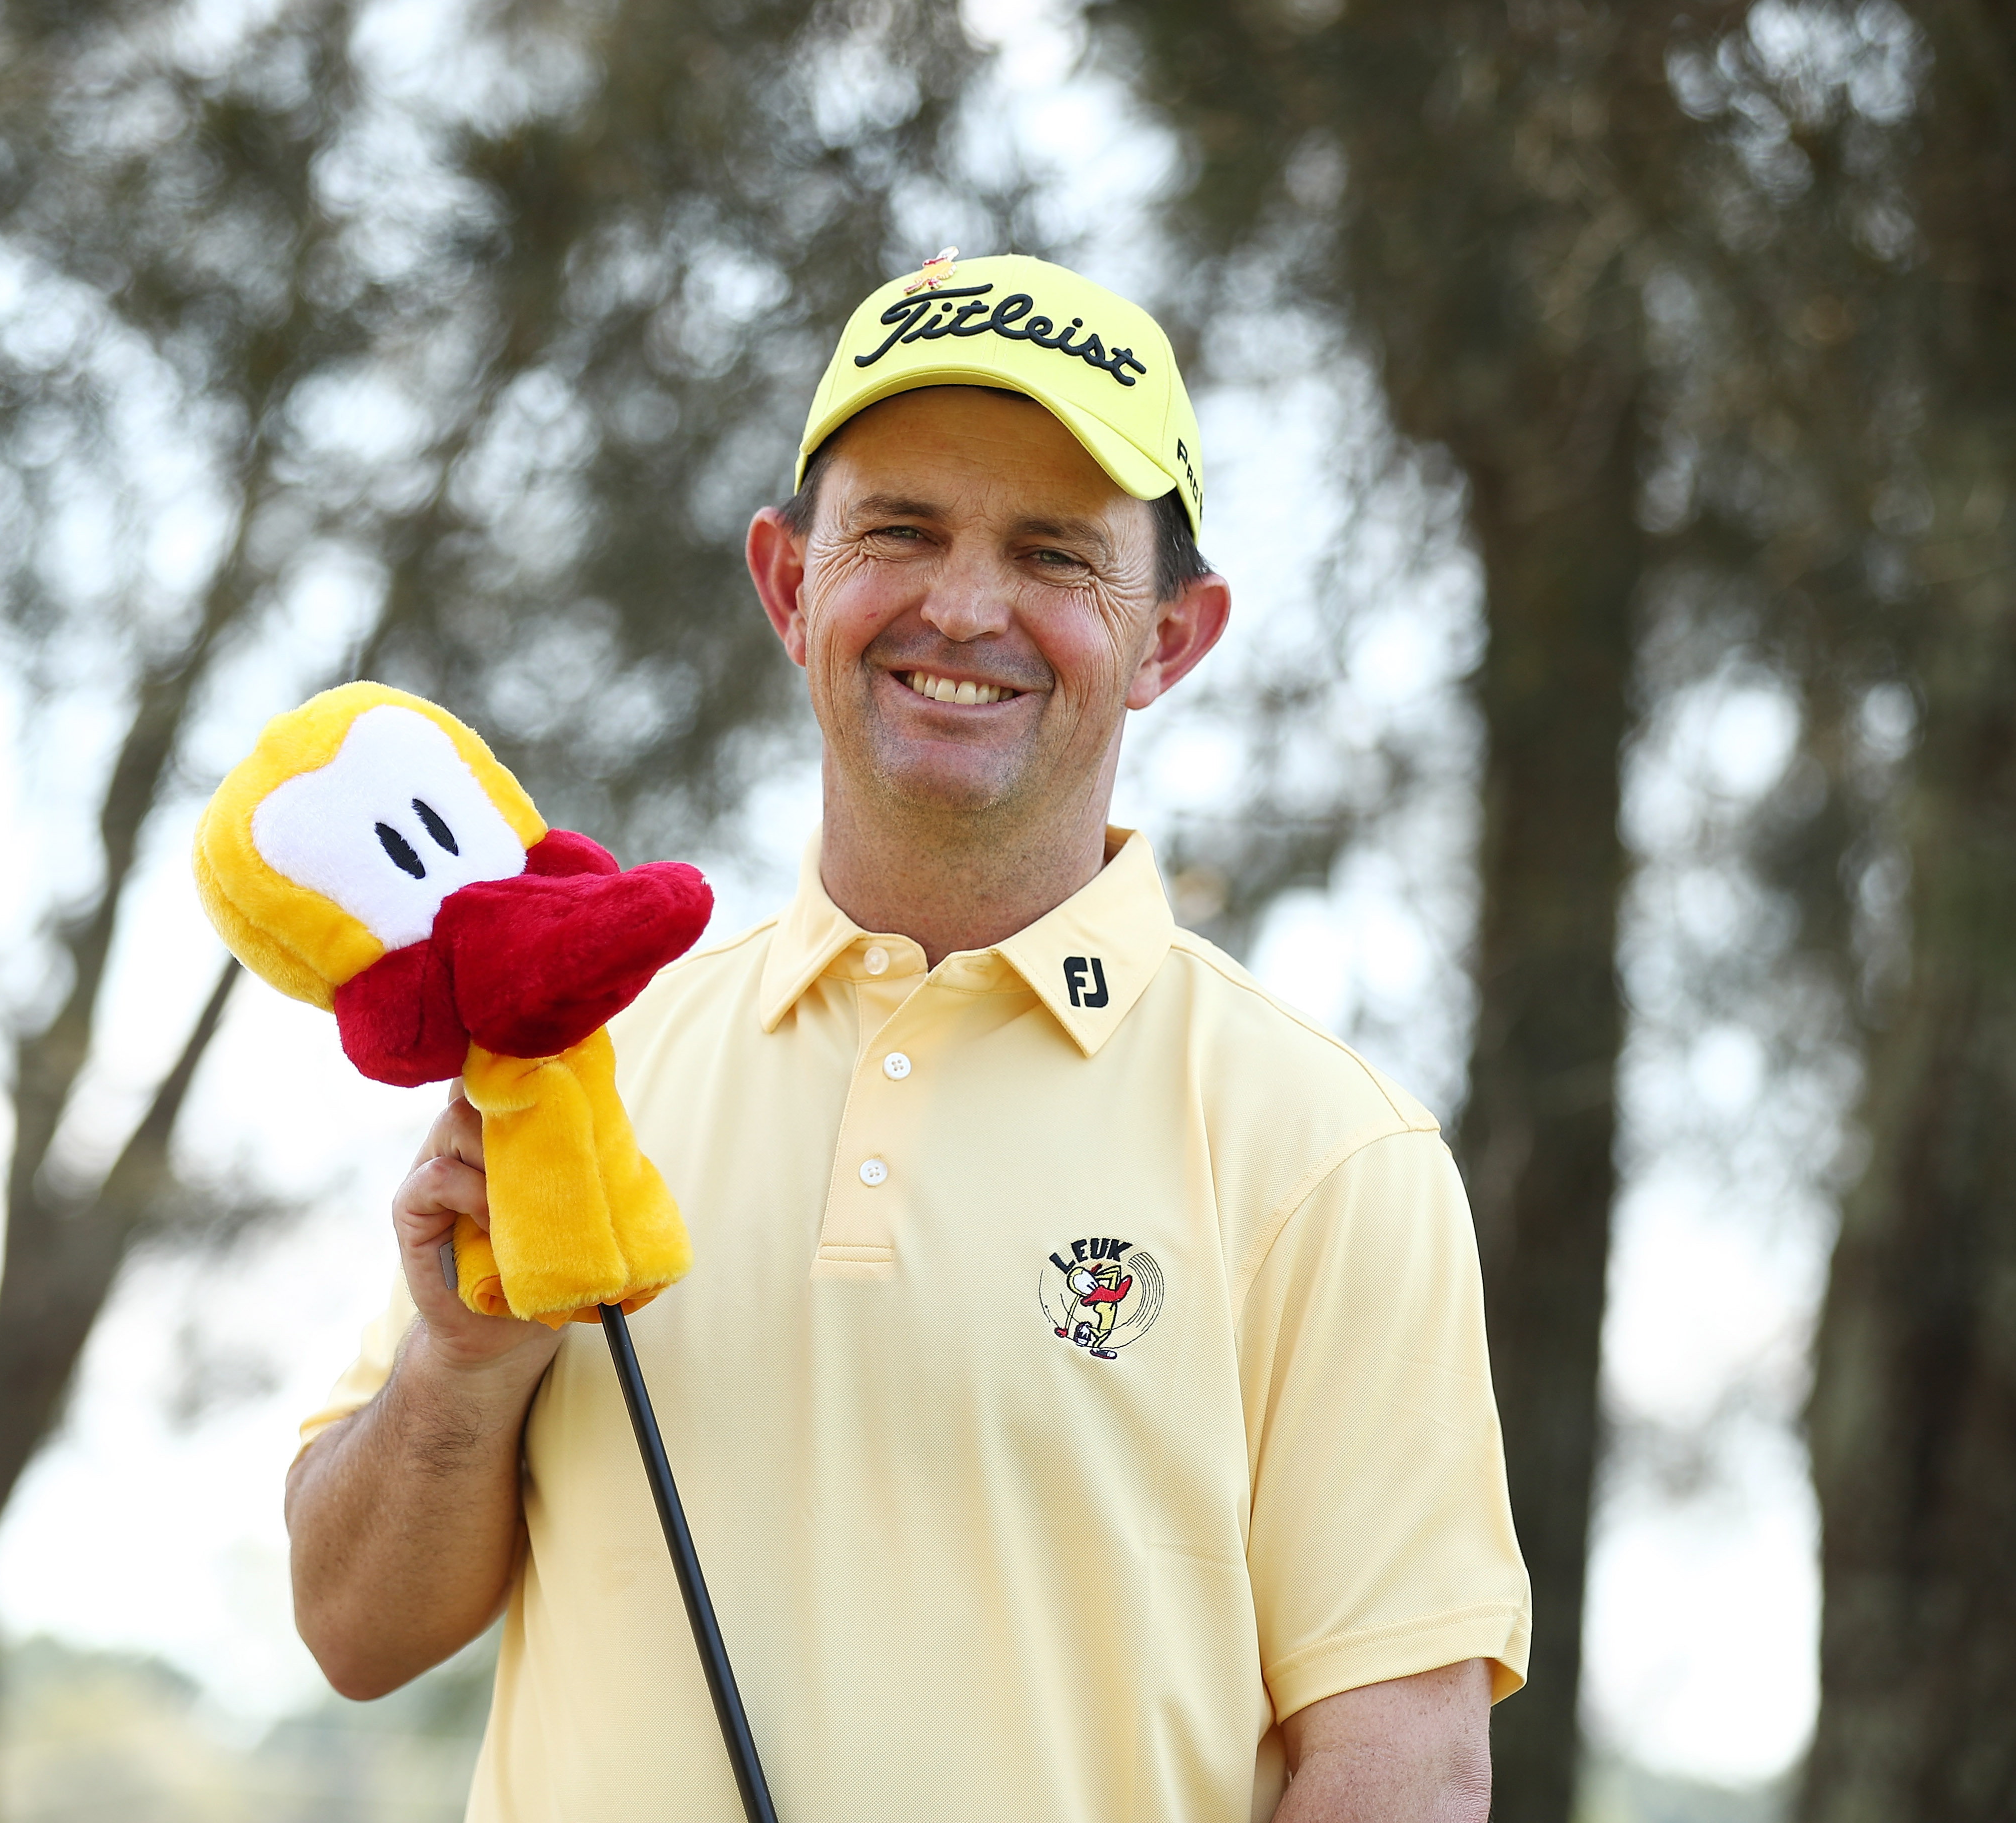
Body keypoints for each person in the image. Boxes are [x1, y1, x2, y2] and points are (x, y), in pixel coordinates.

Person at [282, 253, 1530, 1822]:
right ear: (790, 582)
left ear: (1171, 639)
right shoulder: (588, 1067)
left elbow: (1397, 1768)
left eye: (1055, 554)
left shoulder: (1329, 1151)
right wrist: (461, 1370)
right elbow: (351, 1630)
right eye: (901, 531)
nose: (962, 605)